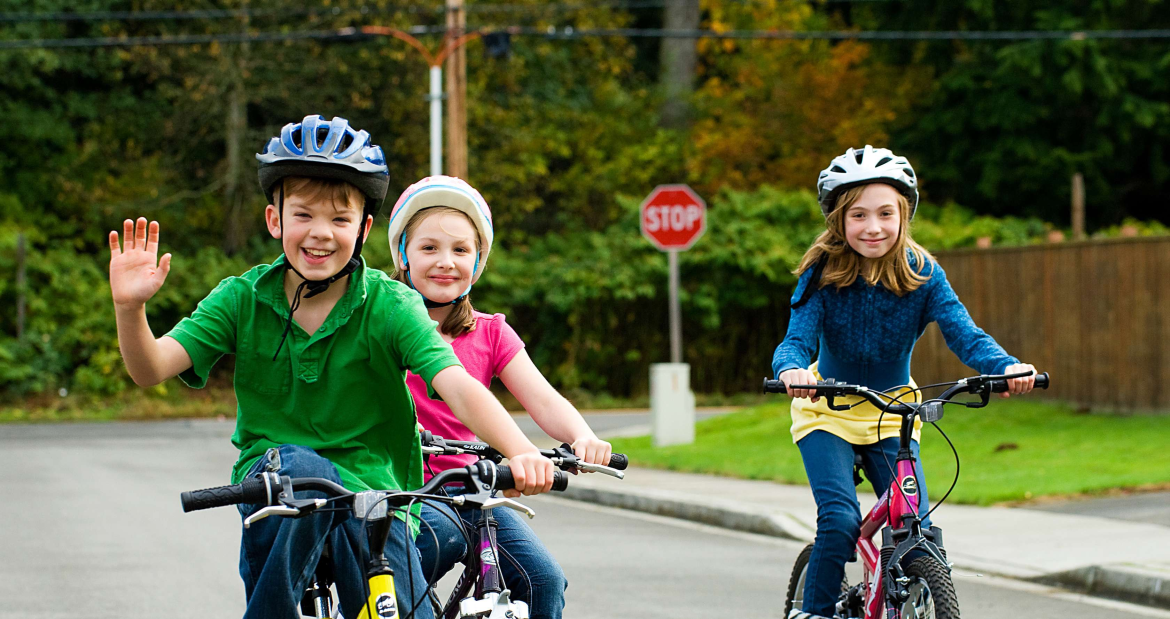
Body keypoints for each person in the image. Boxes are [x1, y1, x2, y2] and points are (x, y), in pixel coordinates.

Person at [107, 115, 554, 619]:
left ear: (364, 230)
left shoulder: (391, 305)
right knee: (302, 466)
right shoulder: (241, 298)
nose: (321, 233)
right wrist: (130, 309)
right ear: (275, 219)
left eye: (340, 220)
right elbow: (151, 368)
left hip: (377, 504)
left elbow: (456, 384)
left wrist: (520, 452)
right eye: (303, 214)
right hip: (278, 495)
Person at [772, 145, 1036, 619]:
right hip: (827, 411)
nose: (873, 227)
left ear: (904, 214)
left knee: (917, 526)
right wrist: (791, 370)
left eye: (885, 213)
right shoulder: (822, 273)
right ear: (838, 220)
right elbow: (795, 341)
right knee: (840, 521)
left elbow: (965, 334)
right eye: (858, 215)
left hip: (894, 412)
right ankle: (813, 612)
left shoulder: (925, 275)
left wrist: (1006, 366)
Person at [385, 175, 613, 619]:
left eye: (460, 250)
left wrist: (583, 437)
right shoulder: (384, 323)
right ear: (403, 256)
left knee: (542, 581)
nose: (445, 262)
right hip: (405, 494)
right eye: (428, 248)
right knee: (397, 589)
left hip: (476, 490)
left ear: (479, 261)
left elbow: (544, 400)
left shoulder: (490, 331)